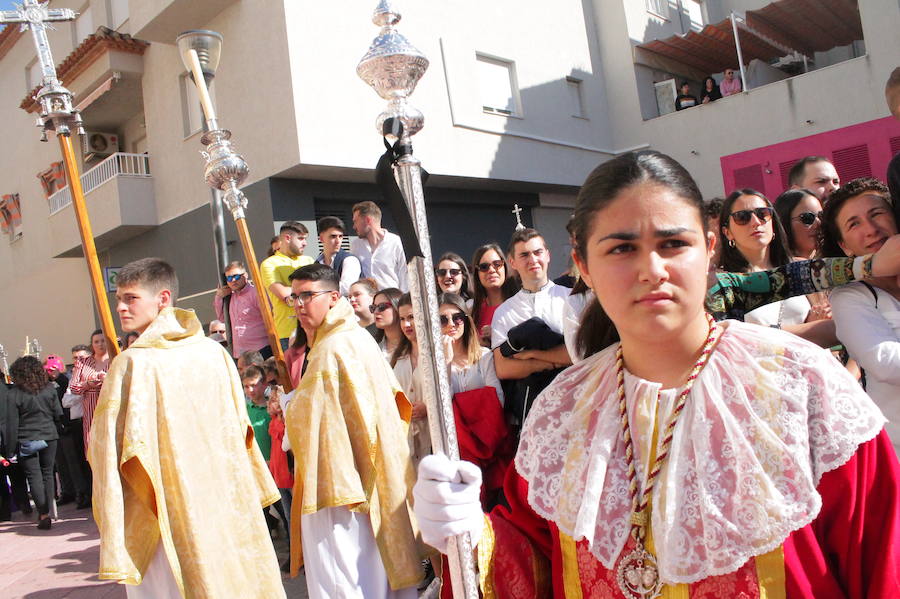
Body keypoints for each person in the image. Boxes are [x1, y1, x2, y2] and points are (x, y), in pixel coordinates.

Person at [413, 150, 900, 598]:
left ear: (709, 248)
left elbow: (883, 567)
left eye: (672, 243)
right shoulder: (562, 413)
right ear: (583, 265)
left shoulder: (804, 387)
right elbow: (533, 562)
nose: (652, 270)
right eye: (621, 249)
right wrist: (472, 539)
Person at [89, 257, 284, 598]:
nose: (120, 307)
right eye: (118, 298)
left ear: (163, 299)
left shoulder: (132, 364)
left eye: (131, 298)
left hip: (164, 506)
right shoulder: (215, 354)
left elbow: (108, 449)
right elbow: (242, 434)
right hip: (224, 500)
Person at [284, 263, 423, 597]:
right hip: (370, 475)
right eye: (294, 297)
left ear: (333, 297)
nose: (300, 304)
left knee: (344, 575)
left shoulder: (334, 347)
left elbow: (316, 419)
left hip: (340, 485)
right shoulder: (354, 339)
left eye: (308, 295)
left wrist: (290, 406)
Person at [821, 178, 900, 453]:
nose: (871, 230)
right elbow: (886, 363)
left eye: (877, 214)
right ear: (844, 246)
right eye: (854, 224)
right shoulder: (850, 297)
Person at [719, 189, 836, 347]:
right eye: (742, 217)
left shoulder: (800, 269)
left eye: (763, 214)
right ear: (727, 233)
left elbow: (833, 329)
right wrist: (809, 328)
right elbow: (739, 342)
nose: (756, 222)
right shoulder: (723, 284)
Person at [491, 228, 571, 426]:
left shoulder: (572, 298)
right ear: (513, 263)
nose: (532, 260)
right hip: (532, 411)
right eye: (524, 255)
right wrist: (551, 363)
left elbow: (577, 354)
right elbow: (503, 368)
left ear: (548, 255)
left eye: (537, 252)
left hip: (574, 398)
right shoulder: (503, 312)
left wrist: (529, 356)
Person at [438, 292, 509, 509]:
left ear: (466, 320)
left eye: (457, 317)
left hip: (489, 443)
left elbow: (497, 399)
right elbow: (441, 405)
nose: (451, 324)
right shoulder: (435, 363)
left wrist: (459, 405)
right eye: (443, 319)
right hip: (456, 448)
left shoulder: (485, 355)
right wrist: (447, 364)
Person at [3, 356, 61, 529]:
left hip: (27, 437)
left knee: (34, 476)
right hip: (49, 434)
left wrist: (10, 449)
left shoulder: (13, 394)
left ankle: (42, 514)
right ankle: (49, 510)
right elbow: (57, 413)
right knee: (48, 473)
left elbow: (12, 424)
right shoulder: (49, 388)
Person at [260, 221, 314, 350]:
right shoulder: (269, 264)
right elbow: (283, 294)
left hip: (313, 327)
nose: (305, 243)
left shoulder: (309, 260)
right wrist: (308, 289)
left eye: (305, 239)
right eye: (300, 238)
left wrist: (296, 292)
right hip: (287, 331)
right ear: (287, 238)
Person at [391, 294, 428, 469]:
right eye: (402, 319)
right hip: (405, 447)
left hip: (433, 443)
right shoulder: (397, 358)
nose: (406, 325)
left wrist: (429, 408)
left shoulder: (439, 354)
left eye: (412, 317)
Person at [214, 261, 272, 359]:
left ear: (245, 275)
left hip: (260, 350)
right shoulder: (229, 297)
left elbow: (271, 317)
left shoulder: (256, 293)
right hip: (240, 353)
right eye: (228, 278)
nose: (232, 280)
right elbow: (222, 319)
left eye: (236, 276)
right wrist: (219, 296)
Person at [350, 200, 408, 292]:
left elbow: (405, 275)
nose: (354, 226)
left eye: (355, 221)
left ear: (368, 220)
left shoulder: (396, 242)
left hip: (392, 301)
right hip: (368, 302)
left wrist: (403, 302)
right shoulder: (356, 246)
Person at [67, 329, 109, 455]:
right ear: (92, 344)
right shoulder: (84, 362)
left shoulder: (116, 359)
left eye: (103, 341)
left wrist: (106, 380)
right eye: (96, 341)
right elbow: (74, 387)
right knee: (94, 449)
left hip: (110, 406)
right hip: (91, 410)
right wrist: (89, 383)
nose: (100, 344)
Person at [470, 243, 520, 347]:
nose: (491, 270)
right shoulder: (473, 312)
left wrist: (498, 334)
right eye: (484, 267)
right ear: (477, 273)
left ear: (505, 267)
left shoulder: (520, 303)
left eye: (497, 264)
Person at [315, 216, 362, 296]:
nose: (338, 241)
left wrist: (317, 289)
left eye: (340, 236)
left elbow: (347, 289)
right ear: (322, 238)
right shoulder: (317, 263)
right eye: (333, 236)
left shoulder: (350, 260)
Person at [373, 287, 405, 360]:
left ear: (396, 306)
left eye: (382, 307)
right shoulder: (372, 346)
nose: (376, 312)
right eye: (373, 307)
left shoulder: (414, 344)